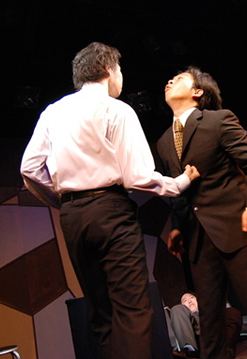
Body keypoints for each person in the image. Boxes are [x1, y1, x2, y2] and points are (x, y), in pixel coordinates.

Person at [20, 42, 200, 359]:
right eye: (119, 70)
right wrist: (180, 182)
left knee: (100, 313)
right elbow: (137, 177)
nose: (121, 77)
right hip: (111, 211)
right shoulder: (116, 109)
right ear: (108, 70)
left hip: (73, 217)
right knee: (133, 309)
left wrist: (63, 201)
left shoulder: (53, 111)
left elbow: (29, 169)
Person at [156, 66, 247, 358]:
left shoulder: (218, 120)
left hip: (235, 227)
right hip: (197, 239)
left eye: (179, 79)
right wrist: (178, 226)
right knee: (209, 316)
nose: (170, 80)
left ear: (197, 92)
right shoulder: (164, 141)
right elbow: (179, 190)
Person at [168, 292, 243, 358]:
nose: (189, 301)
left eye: (192, 298)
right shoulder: (180, 311)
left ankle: (225, 351)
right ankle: (190, 352)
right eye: (185, 300)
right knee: (176, 309)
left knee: (232, 312)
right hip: (198, 338)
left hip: (215, 331)